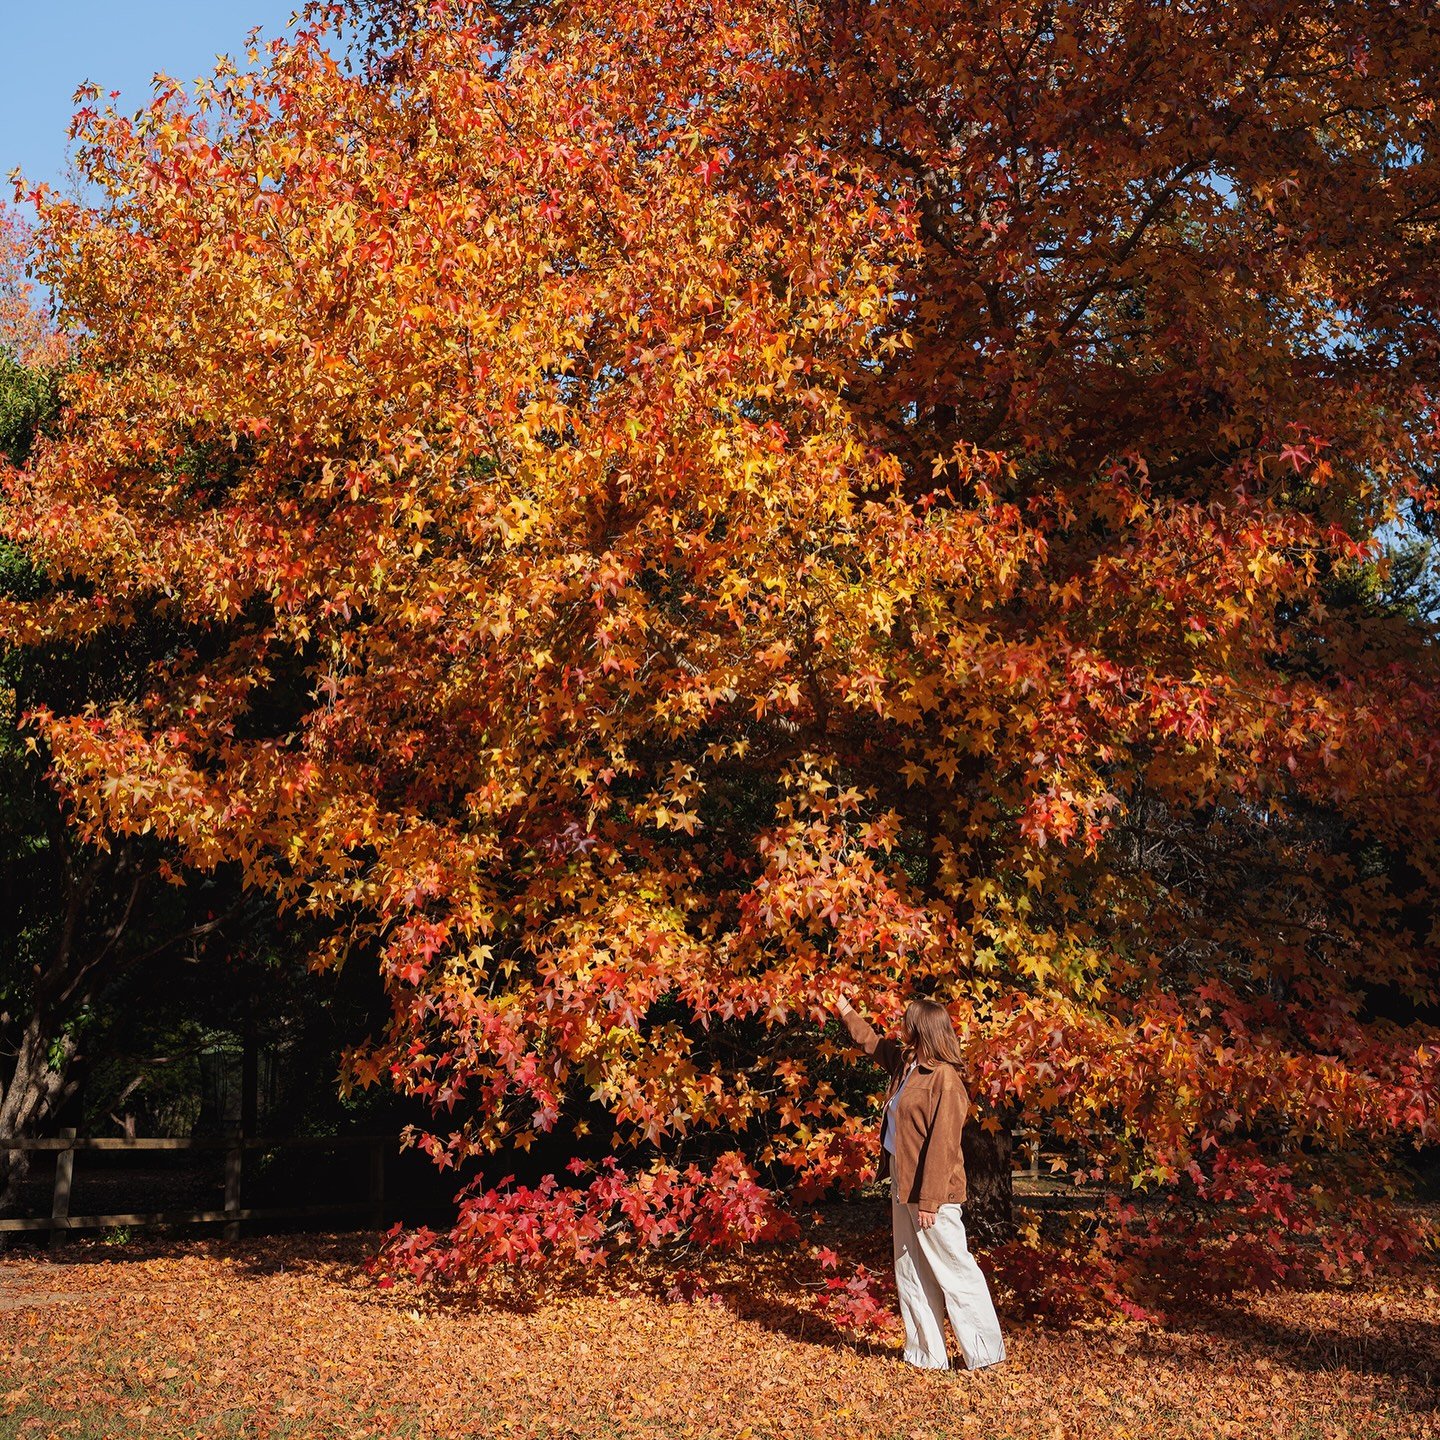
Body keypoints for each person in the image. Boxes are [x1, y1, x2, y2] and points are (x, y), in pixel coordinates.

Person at [835, 991, 1006, 1372]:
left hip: (933, 1189)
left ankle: (986, 1355)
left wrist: (929, 1201)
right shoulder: (907, 1065)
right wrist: (845, 1010)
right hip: (903, 1180)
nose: (902, 1026)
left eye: (908, 1021)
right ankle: (927, 1355)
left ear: (922, 1029)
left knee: (954, 1269)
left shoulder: (945, 1080)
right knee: (910, 1268)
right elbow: (872, 1043)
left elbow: (943, 1146)